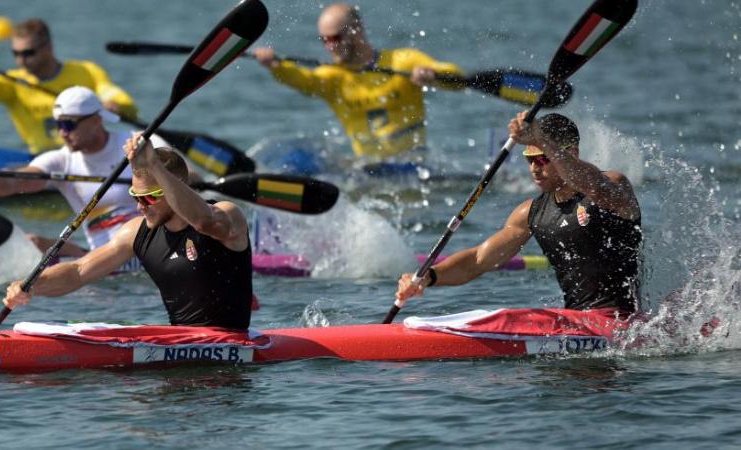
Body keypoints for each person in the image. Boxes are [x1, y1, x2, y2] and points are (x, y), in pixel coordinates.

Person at [396, 112, 643, 316]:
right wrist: (427, 277)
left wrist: (544, 139)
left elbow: (592, 185)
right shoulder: (530, 212)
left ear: (573, 153)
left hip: (621, 323)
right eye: (529, 160)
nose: (534, 169)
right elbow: (478, 261)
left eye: (543, 159)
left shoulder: (613, 187)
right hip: (576, 321)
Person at [1, 134, 253, 329]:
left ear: (179, 188)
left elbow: (202, 222)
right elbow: (78, 272)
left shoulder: (227, 215)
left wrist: (154, 164)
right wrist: (31, 285)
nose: (140, 206)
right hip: (183, 347)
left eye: (150, 198)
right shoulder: (137, 232)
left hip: (231, 346)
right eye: (136, 196)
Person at [0, 86, 182, 258]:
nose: (62, 133)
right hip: (106, 259)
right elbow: (12, 184)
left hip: (156, 247)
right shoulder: (61, 161)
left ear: (97, 120)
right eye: (57, 124)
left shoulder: (140, 142)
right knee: (33, 243)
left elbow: (188, 177)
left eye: (69, 124)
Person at [254, 3, 463, 159]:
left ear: (356, 30)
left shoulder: (403, 62)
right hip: (368, 171)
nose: (330, 47)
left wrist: (432, 74)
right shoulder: (332, 77)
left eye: (334, 38)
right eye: (324, 40)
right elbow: (304, 80)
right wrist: (276, 66)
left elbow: (458, 79)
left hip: (413, 165)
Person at [0, 18, 138, 154]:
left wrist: (116, 105)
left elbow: (115, 96)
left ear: (48, 47)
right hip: (42, 157)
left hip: (84, 151)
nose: (21, 60)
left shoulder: (85, 71)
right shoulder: (12, 82)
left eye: (28, 52)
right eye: (16, 53)